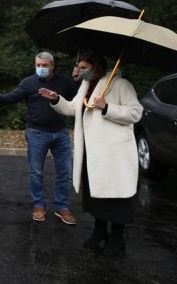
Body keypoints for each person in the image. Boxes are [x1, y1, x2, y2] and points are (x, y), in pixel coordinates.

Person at [39, 51, 142, 256]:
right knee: (96, 195)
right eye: (79, 66)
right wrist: (56, 99)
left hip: (115, 153)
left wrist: (108, 107)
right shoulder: (86, 87)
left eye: (84, 68)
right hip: (93, 152)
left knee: (117, 197)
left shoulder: (121, 85)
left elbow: (135, 112)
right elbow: (72, 109)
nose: (79, 71)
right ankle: (100, 232)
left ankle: (117, 238)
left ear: (96, 67)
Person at [0, 52, 79, 225]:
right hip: (36, 133)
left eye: (44, 65)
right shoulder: (29, 83)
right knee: (36, 172)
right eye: (38, 65)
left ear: (52, 66)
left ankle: (62, 206)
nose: (41, 68)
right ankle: (39, 205)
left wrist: (78, 79)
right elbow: (13, 96)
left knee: (65, 172)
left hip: (61, 133)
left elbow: (77, 98)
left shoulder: (64, 81)